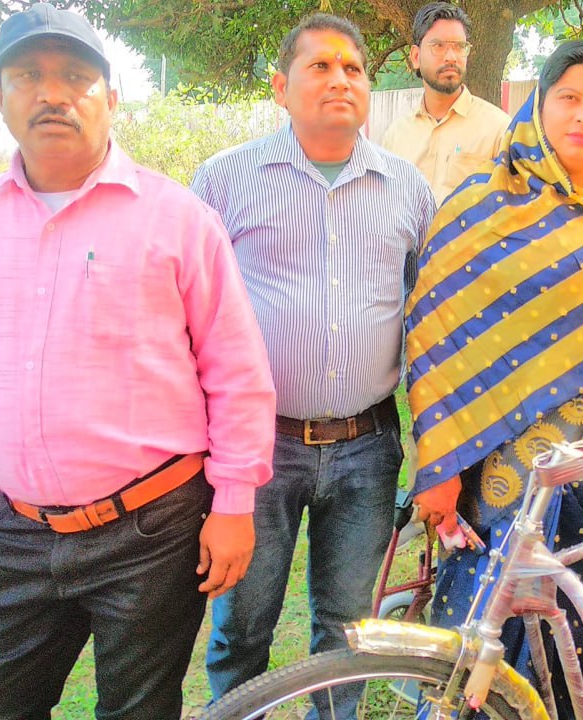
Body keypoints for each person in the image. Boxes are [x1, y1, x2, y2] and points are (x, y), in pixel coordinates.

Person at [0, 4, 276, 718]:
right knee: (0, 706)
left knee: (139, 710)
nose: (53, 93)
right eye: (28, 75)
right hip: (16, 532)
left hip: (152, 529)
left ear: (111, 97)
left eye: (76, 76)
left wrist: (235, 502)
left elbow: (237, 372)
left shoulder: (177, 219)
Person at [408, 40, 583, 720]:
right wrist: (438, 467)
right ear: (538, 104)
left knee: (581, 603)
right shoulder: (480, 203)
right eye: (569, 97)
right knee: (482, 607)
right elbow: (438, 341)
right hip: (495, 456)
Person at [191, 13, 435, 716]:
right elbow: (188, 320)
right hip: (256, 448)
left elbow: (429, 316)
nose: (340, 80)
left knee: (347, 630)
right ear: (280, 86)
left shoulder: (408, 190)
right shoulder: (224, 181)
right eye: (320, 67)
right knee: (242, 626)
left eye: (353, 68)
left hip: (367, 446)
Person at [381, 1, 509, 204]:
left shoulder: (499, 130)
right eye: (438, 46)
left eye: (459, 47)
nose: (451, 57)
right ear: (415, 56)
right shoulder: (395, 136)